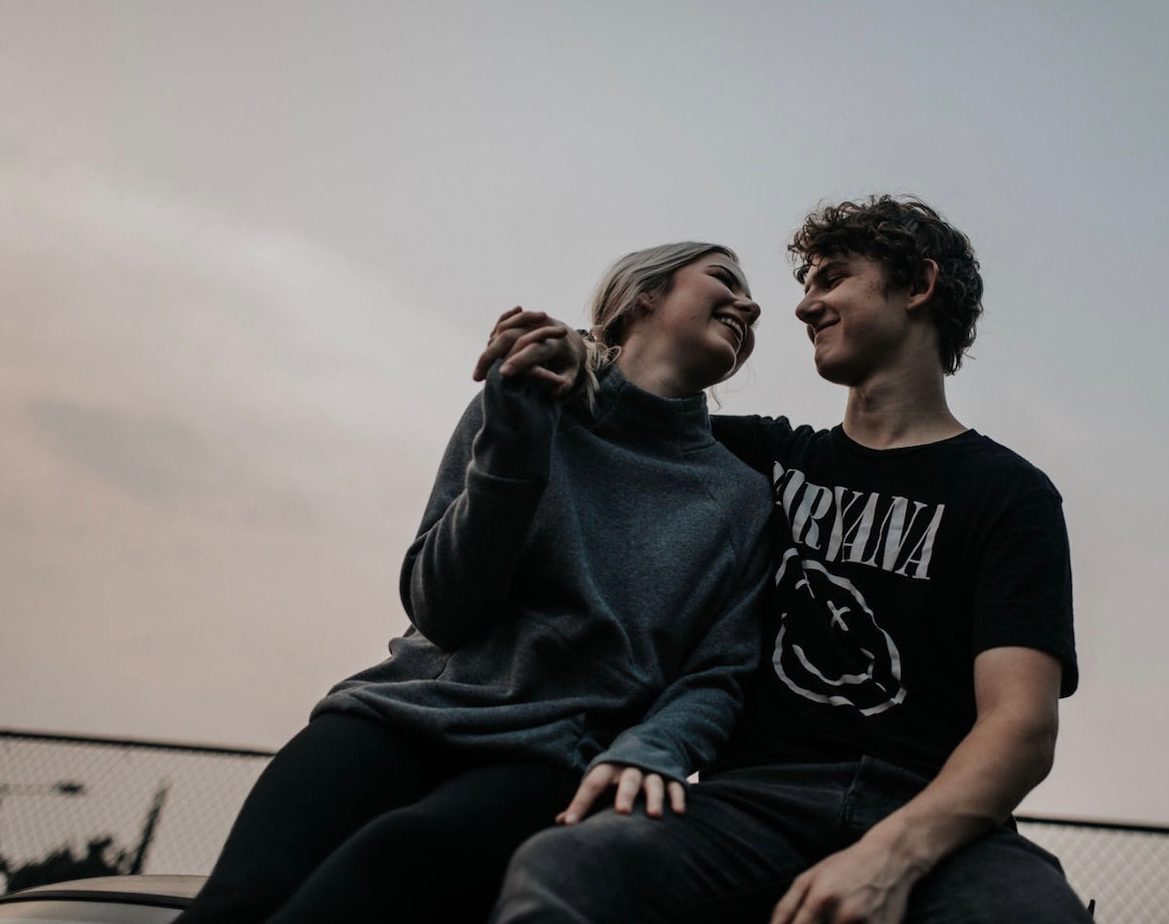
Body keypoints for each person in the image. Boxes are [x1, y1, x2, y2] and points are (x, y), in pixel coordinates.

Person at [481, 196, 1091, 923]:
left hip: (933, 815)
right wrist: (580, 355)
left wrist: (887, 858)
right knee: (563, 870)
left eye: (833, 279)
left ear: (919, 287)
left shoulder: (1008, 494)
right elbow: (641, 409)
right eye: (807, 286)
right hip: (748, 802)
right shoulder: (758, 460)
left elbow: (1021, 726)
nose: (804, 308)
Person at [176, 242, 772, 923]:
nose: (751, 305)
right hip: (400, 712)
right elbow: (444, 609)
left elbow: (719, 673)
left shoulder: (742, 499)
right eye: (724, 279)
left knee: (374, 875)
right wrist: (518, 437)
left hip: (552, 757)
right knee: (235, 903)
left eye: (752, 300)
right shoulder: (525, 394)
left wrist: (652, 749)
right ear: (643, 296)